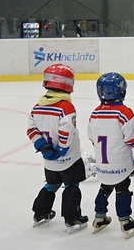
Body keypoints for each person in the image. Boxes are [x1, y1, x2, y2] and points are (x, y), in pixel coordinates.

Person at [27, 64, 89, 233]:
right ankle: (72, 218)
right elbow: (67, 130)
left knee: (51, 184)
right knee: (72, 185)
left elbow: (31, 129)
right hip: (68, 158)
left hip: (49, 160)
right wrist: (61, 149)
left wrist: (43, 146)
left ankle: (40, 213)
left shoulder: (38, 105)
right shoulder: (65, 107)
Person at [86, 72, 134, 238]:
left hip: (102, 164)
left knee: (104, 188)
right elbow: (133, 137)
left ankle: (99, 218)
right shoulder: (124, 113)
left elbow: (92, 136)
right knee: (122, 189)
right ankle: (126, 223)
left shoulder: (95, 113)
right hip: (120, 163)